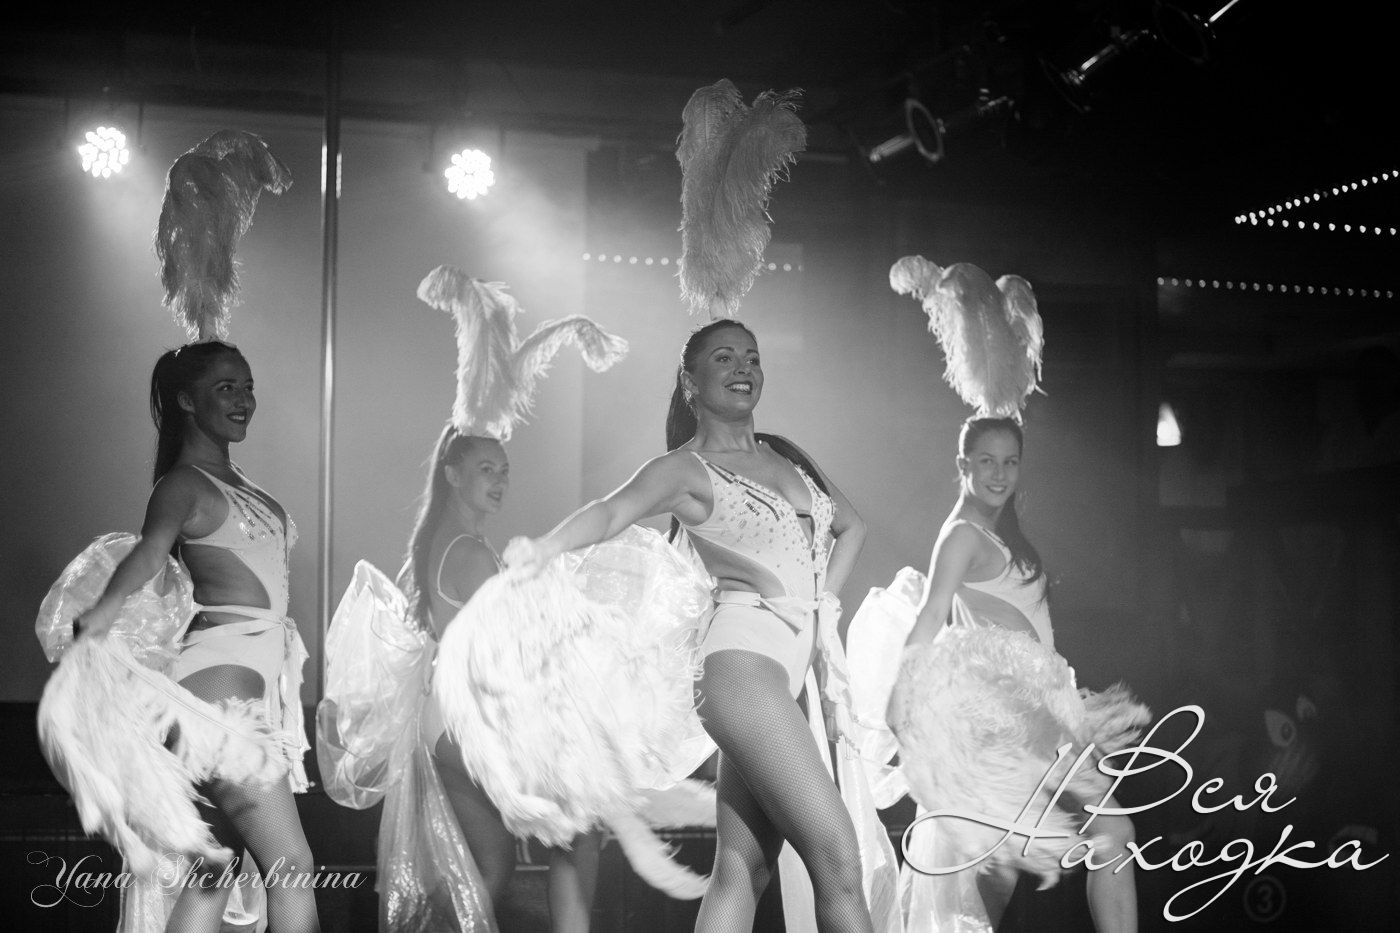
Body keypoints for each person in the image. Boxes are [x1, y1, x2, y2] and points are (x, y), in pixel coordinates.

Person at [505, 318, 884, 933]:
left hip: (783, 676)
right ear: (690, 382)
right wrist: (544, 547)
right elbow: (611, 512)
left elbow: (853, 526)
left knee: (743, 871)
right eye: (724, 358)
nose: (743, 368)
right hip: (743, 669)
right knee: (838, 858)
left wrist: (823, 612)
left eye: (752, 357)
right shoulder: (685, 470)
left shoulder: (785, 455)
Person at [75, 341, 318, 933]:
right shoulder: (182, 485)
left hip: (242, 684)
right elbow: (150, 552)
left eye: (247, 386)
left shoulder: (234, 480)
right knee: (291, 867)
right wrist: (105, 610)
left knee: (215, 870)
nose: (244, 400)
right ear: (186, 401)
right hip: (219, 688)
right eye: (225, 387)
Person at [892, 415, 1141, 933]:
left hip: (1039, 711)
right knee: (1063, 846)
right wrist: (902, 695)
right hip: (1015, 719)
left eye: (1010, 462)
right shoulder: (961, 536)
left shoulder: (993, 531)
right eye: (986, 461)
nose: (999, 474)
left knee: (1071, 845)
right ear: (962, 465)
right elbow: (932, 615)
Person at [400, 424, 601, 931]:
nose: (499, 481)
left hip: (445, 719)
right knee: (578, 828)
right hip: (470, 721)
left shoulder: (448, 542)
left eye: (504, 471)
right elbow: (511, 648)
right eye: (485, 469)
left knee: (489, 867)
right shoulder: (468, 552)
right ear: (452, 475)